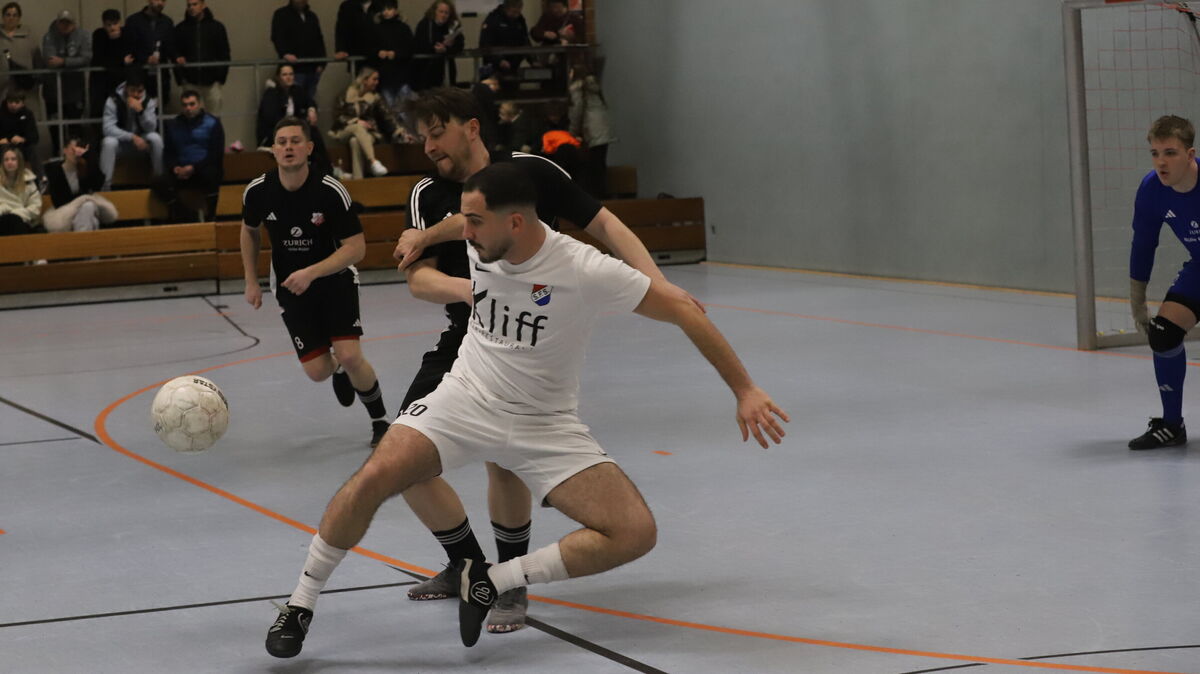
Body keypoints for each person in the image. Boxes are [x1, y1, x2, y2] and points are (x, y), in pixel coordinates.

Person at [264, 160, 788, 658]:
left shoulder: (583, 269)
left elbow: (684, 312)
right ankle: (301, 603)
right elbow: (455, 225)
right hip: (465, 398)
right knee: (375, 474)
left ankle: (494, 580)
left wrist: (745, 390)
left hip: (546, 422)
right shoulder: (482, 240)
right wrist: (425, 235)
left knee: (634, 532)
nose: (465, 233)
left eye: (475, 222)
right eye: (463, 221)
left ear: (516, 221)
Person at [385, 86, 706, 635]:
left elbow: (604, 224)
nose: (428, 146)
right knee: (403, 462)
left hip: (530, 341)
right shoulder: (426, 193)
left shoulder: (530, 170)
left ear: (471, 127)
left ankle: (510, 585)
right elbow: (417, 278)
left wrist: (658, 283)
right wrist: (471, 290)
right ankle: (469, 565)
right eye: (421, 137)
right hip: (464, 338)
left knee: (503, 460)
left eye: (437, 132)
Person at [240, 116, 391, 449]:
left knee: (351, 355)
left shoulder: (330, 190)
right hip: (291, 287)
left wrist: (313, 272)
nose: (288, 147)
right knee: (317, 371)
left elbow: (357, 248)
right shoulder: (259, 191)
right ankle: (336, 370)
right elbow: (249, 231)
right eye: (281, 142)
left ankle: (380, 421)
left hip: (334, 281)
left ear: (308, 148)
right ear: (273, 150)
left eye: (295, 141)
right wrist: (251, 280)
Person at [1128, 114, 1200, 449]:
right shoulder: (1151, 190)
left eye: (1170, 153)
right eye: (1155, 153)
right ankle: (1172, 425)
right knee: (1163, 334)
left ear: (1190, 155)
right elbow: (1143, 244)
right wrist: (1137, 300)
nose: (1161, 162)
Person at [155, 89, 224, 221]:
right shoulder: (173, 125)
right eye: (185, 105)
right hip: (180, 171)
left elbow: (215, 154)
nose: (188, 108)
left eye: (192, 104)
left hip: (202, 170)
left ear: (200, 104)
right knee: (159, 181)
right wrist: (174, 167)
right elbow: (168, 152)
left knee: (212, 174)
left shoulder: (213, 123)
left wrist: (193, 168)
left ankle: (211, 217)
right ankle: (183, 213)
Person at [256, 64, 331, 176]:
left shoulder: (296, 90)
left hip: (293, 130)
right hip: (273, 133)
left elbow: (309, 101)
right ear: (278, 77)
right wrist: (296, 124)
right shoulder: (271, 94)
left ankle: (323, 170)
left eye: (291, 74)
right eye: (285, 74)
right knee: (310, 134)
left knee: (312, 133)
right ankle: (326, 171)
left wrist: (311, 110)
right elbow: (272, 119)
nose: (288, 77)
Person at [329, 67, 402, 179]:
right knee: (358, 127)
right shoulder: (345, 95)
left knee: (355, 141)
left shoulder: (375, 98)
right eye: (374, 79)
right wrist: (356, 121)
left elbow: (387, 116)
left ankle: (358, 180)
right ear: (364, 80)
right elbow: (338, 116)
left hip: (368, 133)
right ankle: (373, 162)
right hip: (345, 130)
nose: (377, 82)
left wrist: (400, 131)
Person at [100, 69, 163, 191]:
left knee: (155, 138)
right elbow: (107, 128)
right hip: (122, 144)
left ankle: (160, 182)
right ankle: (105, 188)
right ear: (125, 88)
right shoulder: (113, 100)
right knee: (108, 142)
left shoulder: (147, 100)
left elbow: (151, 128)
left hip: (142, 144)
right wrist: (132, 137)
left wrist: (141, 112)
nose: (136, 94)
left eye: (139, 91)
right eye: (132, 90)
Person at [42, 136, 118, 232]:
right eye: (73, 149)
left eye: (79, 150)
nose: (75, 153)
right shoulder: (54, 170)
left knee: (88, 207)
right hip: (64, 211)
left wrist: (88, 156)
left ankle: (81, 241)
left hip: (85, 211)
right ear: (65, 150)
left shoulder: (84, 168)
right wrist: (80, 200)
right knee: (92, 218)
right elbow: (58, 200)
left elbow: (98, 184)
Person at [173, 0, 230, 117]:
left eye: (195, 4)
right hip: (190, 81)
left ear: (203, 5)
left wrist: (219, 78)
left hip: (212, 83)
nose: (191, 8)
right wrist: (181, 79)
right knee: (190, 117)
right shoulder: (180, 29)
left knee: (214, 118)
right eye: (189, 5)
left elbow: (225, 53)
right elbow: (175, 53)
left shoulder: (217, 27)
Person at [567, 64, 614, 199]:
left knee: (592, 167)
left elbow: (577, 111)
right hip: (603, 129)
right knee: (599, 165)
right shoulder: (593, 87)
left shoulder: (577, 88)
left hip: (592, 130)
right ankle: (602, 196)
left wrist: (572, 132)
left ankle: (595, 198)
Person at [271, 0, 327, 106]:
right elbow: (277, 36)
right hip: (294, 68)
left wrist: (322, 62)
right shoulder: (281, 14)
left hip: (312, 68)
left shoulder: (311, 16)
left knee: (310, 102)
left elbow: (319, 39)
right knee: (293, 101)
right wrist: (284, 53)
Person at [124, 0, 176, 102]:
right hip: (139, 75)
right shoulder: (133, 21)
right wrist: (145, 58)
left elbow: (170, 46)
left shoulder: (167, 22)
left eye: (163, 0)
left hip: (160, 75)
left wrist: (177, 57)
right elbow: (129, 46)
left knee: (161, 106)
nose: (160, 3)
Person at [369, 0, 415, 110]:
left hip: (401, 75)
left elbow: (411, 48)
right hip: (385, 76)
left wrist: (396, 54)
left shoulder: (404, 28)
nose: (386, 12)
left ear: (395, 10)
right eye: (383, 9)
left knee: (405, 110)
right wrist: (378, 53)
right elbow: (368, 49)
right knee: (390, 110)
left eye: (389, 9)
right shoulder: (376, 29)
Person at [90, 9, 135, 121]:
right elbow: (99, 59)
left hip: (121, 82)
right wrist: (121, 61)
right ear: (103, 25)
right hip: (102, 84)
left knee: (123, 114)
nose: (112, 28)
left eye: (115, 24)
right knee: (101, 114)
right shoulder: (99, 35)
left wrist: (117, 61)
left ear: (120, 23)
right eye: (108, 25)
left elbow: (132, 55)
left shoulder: (127, 34)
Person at [412, 1, 463, 91]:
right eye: (441, 12)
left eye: (446, 13)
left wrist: (446, 49)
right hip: (427, 70)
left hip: (446, 69)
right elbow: (418, 44)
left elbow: (460, 45)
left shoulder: (453, 26)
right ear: (434, 11)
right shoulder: (425, 25)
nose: (443, 15)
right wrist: (433, 49)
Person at [478, 0, 530, 82]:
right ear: (506, 9)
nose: (516, 15)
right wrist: (499, 61)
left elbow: (525, 40)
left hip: (513, 65)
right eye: (513, 12)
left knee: (513, 90)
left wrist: (533, 60)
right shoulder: (493, 19)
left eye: (518, 12)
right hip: (494, 66)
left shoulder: (520, 20)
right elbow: (485, 44)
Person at [0, 3, 37, 103]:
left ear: (19, 18)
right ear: (3, 17)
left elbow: (37, 59)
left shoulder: (29, 37)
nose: (11, 18)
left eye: (14, 15)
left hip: (25, 87)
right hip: (3, 88)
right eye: (8, 15)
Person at [0, 144, 41, 235]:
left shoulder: (29, 181)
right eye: (6, 160)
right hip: (1, 219)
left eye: (13, 159)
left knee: (14, 221)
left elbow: (35, 208)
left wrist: (17, 213)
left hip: (23, 220)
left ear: (19, 162)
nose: (9, 162)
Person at [0, 90, 37, 169]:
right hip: (3, 144)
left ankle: (41, 178)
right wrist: (6, 139)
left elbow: (35, 136)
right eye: (10, 102)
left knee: (32, 149)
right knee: (5, 148)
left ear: (22, 103)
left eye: (16, 102)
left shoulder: (28, 114)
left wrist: (23, 139)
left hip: (22, 145)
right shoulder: (1, 113)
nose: (13, 105)